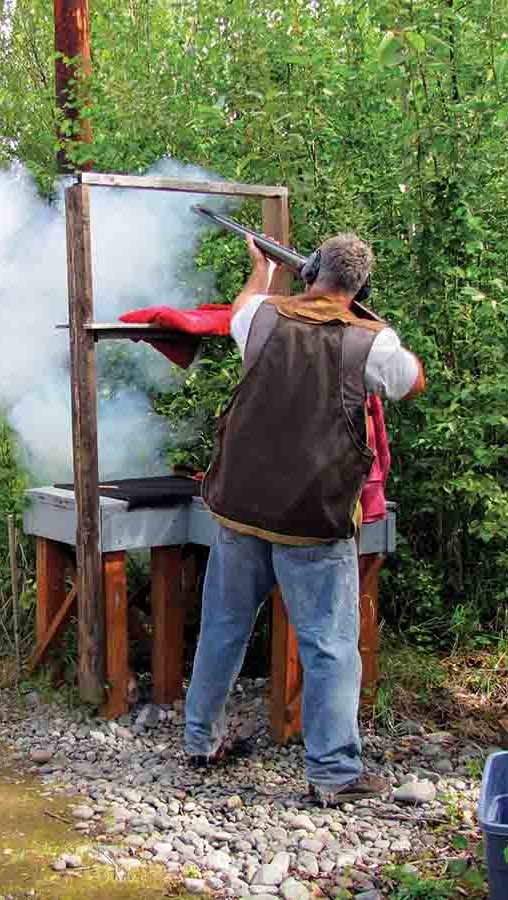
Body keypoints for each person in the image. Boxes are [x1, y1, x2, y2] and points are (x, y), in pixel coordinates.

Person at [185, 232, 426, 807]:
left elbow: (243, 308)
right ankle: (334, 773)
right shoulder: (371, 340)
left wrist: (263, 270)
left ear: (311, 270)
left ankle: (200, 741)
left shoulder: (264, 317)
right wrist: (374, 323)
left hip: (241, 505)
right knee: (330, 645)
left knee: (222, 627)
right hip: (311, 517)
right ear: (360, 286)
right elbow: (412, 379)